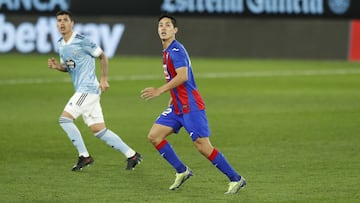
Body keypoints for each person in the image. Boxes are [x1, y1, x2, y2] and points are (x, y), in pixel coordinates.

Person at [140, 14, 246, 194]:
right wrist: (173, 96)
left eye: (167, 25)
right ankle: (182, 171)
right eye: (160, 25)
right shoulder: (167, 51)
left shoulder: (176, 50)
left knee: (202, 145)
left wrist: (160, 90)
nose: (163, 28)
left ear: (175, 30)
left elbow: (183, 76)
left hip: (191, 105)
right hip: (177, 106)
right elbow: (176, 78)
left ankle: (236, 179)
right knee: (155, 136)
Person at [48, 10, 142, 171]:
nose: (62, 23)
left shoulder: (82, 41)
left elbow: (102, 56)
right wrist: (58, 67)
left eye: (65, 20)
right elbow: (70, 67)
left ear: (72, 23)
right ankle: (132, 155)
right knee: (98, 130)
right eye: (59, 20)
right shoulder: (60, 44)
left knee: (65, 120)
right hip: (84, 90)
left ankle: (84, 156)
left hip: (88, 89)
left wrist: (104, 79)